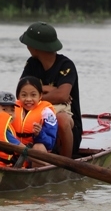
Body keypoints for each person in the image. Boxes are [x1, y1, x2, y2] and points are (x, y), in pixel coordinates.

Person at [19, 22, 82, 157]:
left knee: (61, 119)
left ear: (36, 48)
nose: (27, 47)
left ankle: (65, 163)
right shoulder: (32, 64)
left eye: (29, 44)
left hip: (69, 127)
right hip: (37, 121)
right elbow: (21, 93)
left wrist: (35, 95)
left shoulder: (66, 65)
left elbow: (62, 96)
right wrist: (49, 89)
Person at [13, 76, 58, 153]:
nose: (28, 99)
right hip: (14, 151)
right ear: (18, 96)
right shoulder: (10, 109)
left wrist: (39, 134)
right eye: (24, 95)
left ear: (40, 96)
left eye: (33, 95)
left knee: (39, 147)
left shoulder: (47, 113)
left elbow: (50, 143)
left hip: (32, 155)